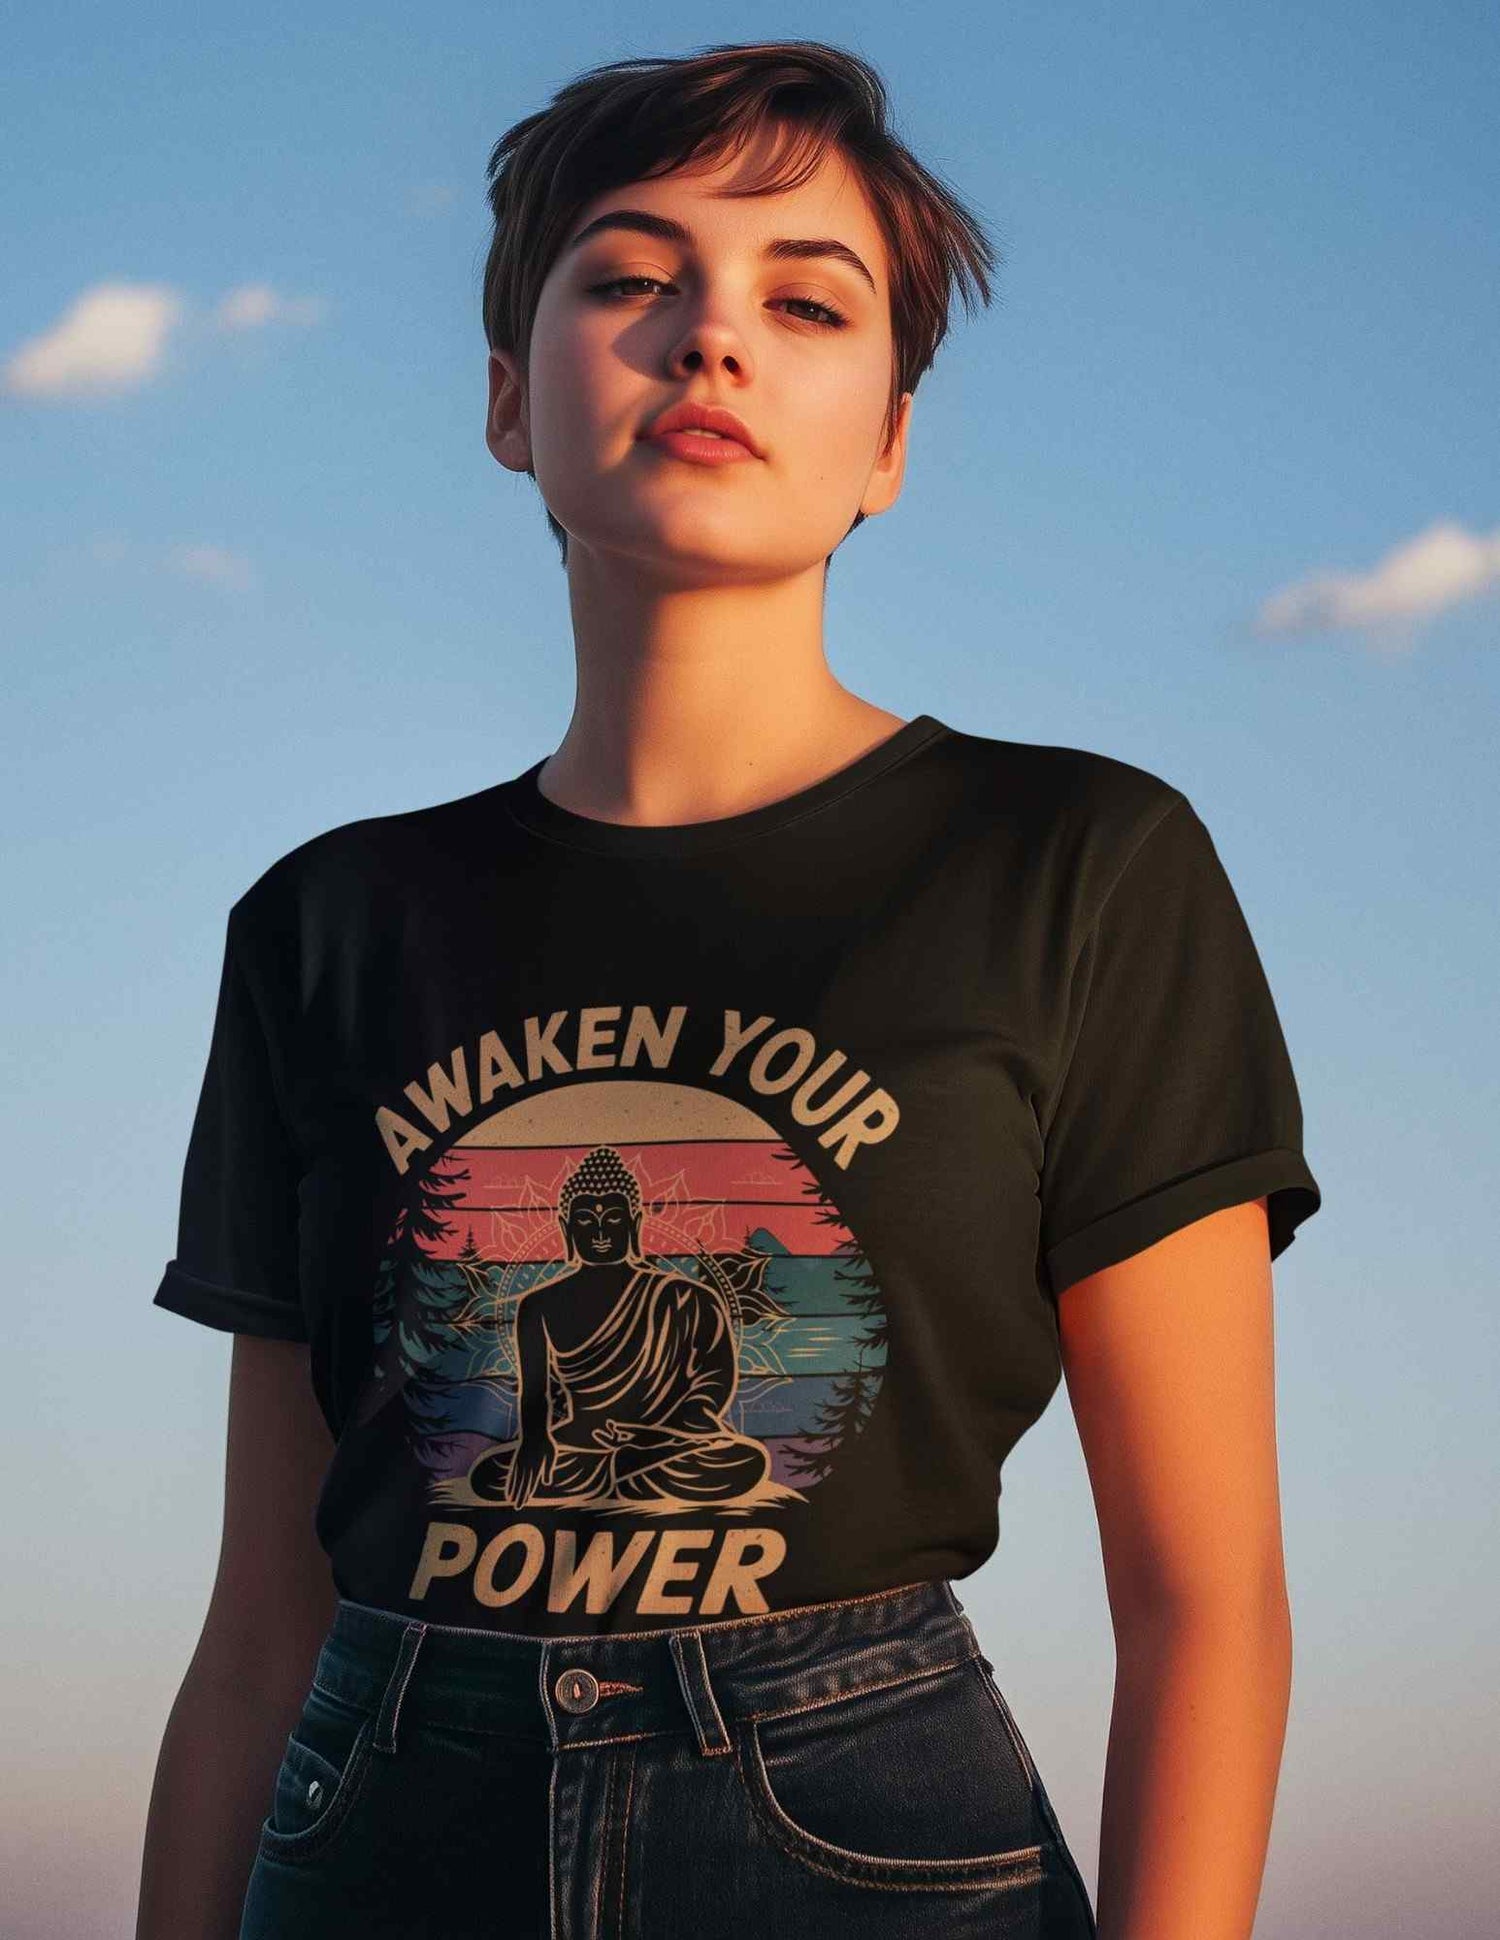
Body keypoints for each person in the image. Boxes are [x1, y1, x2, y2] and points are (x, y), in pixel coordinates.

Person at [135, 38, 1321, 1940]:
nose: (711, 341)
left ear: (891, 439)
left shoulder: (1080, 866)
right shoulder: (329, 921)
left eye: (802, 298)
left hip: (860, 1817)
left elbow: (1203, 1600)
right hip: (380, 1814)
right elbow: (261, 1627)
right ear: (512, 401)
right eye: (628, 279)